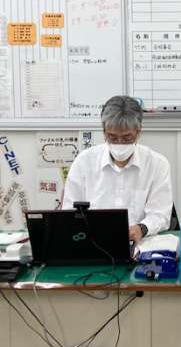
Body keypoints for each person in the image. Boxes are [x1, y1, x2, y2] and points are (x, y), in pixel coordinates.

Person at [62, 95, 173, 242]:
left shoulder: (157, 164)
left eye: (127, 138)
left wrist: (142, 228)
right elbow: (69, 213)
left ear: (138, 132)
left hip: (139, 244)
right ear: (104, 132)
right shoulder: (84, 162)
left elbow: (160, 215)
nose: (120, 143)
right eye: (112, 138)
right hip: (93, 242)